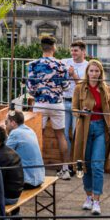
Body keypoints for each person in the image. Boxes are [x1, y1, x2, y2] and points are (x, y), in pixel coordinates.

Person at [71, 59, 110, 215]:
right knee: (85, 165)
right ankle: (88, 197)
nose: (94, 74)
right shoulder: (80, 88)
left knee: (97, 166)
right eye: (91, 71)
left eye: (96, 71)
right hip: (84, 129)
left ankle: (97, 201)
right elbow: (73, 109)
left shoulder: (105, 89)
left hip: (101, 129)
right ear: (87, 72)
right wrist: (81, 112)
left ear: (100, 73)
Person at [26, 35, 71, 179]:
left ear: (42, 47)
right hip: (57, 104)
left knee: (38, 136)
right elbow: (65, 86)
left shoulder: (33, 64)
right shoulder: (61, 65)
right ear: (54, 48)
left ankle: (37, 169)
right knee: (61, 136)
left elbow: (31, 89)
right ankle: (65, 169)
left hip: (40, 103)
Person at [61, 40, 90, 147]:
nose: (73, 53)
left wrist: (73, 74)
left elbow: (82, 86)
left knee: (75, 133)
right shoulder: (65, 62)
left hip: (78, 103)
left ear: (83, 52)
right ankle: (67, 161)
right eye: (72, 50)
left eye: (76, 51)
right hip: (64, 101)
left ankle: (74, 160)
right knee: (63, 134)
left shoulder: (87, 66)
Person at [5, 110, 44, 189]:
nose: (5, 125)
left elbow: (4, 153)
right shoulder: (30, 130)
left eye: (6, 122)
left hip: (27, 181)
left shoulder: (15, 133)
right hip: (39, 178)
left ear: (13, 123)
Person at [0, 126, 23, 205]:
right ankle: (15, 215)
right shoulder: (7, 150)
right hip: (16, 193)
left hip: (8, 198)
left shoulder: (1, 157)